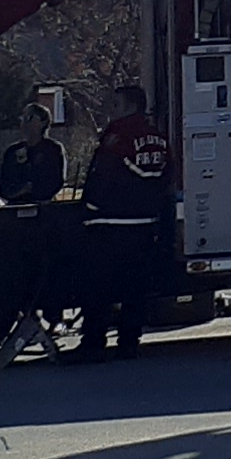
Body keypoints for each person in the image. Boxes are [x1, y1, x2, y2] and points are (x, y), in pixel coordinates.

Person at [80, 83, 173, 360]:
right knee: (135, 286)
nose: (112, 111)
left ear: (131, 106)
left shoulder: (117, 137)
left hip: (110, 223)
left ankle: (94, 341)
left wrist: (90, 208)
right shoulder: (158, 138)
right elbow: (166, 178)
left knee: (100, 286)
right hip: (144, 224)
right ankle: (129, 340)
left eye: (117, 105)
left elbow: (102, 175)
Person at [0, 105, 66, 208]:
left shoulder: (52, 149)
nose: (24, 123)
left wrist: (33, 189)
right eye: (22, 118)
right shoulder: (13, 151)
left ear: (43, 122)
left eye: (29, 118)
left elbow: (55, 181)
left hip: (42, 208)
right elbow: (3, 184)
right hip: (14, 208)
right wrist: (19, 190)